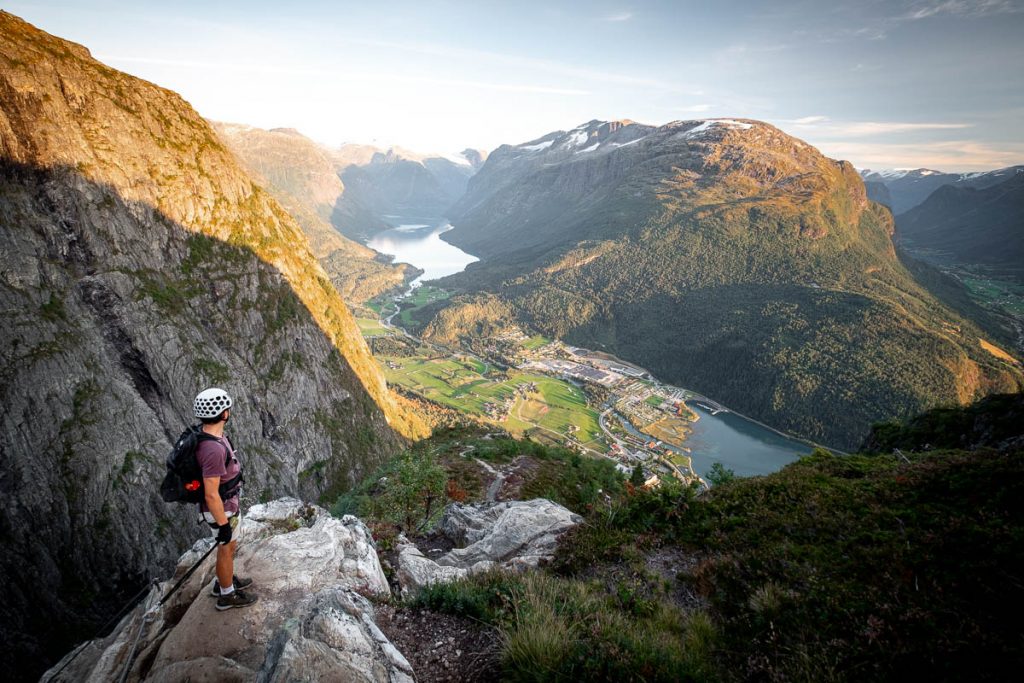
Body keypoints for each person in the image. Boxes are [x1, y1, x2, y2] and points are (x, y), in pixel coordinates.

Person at [193, 387, 257, 610]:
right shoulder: (213, 450)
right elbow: (211, 493)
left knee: (228, 547)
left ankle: (224, 581)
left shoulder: (210, 436)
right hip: (222, 508)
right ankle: (226, 594)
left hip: (225, 505)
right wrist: (223, 525)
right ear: (224, 413)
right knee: (226, 547)